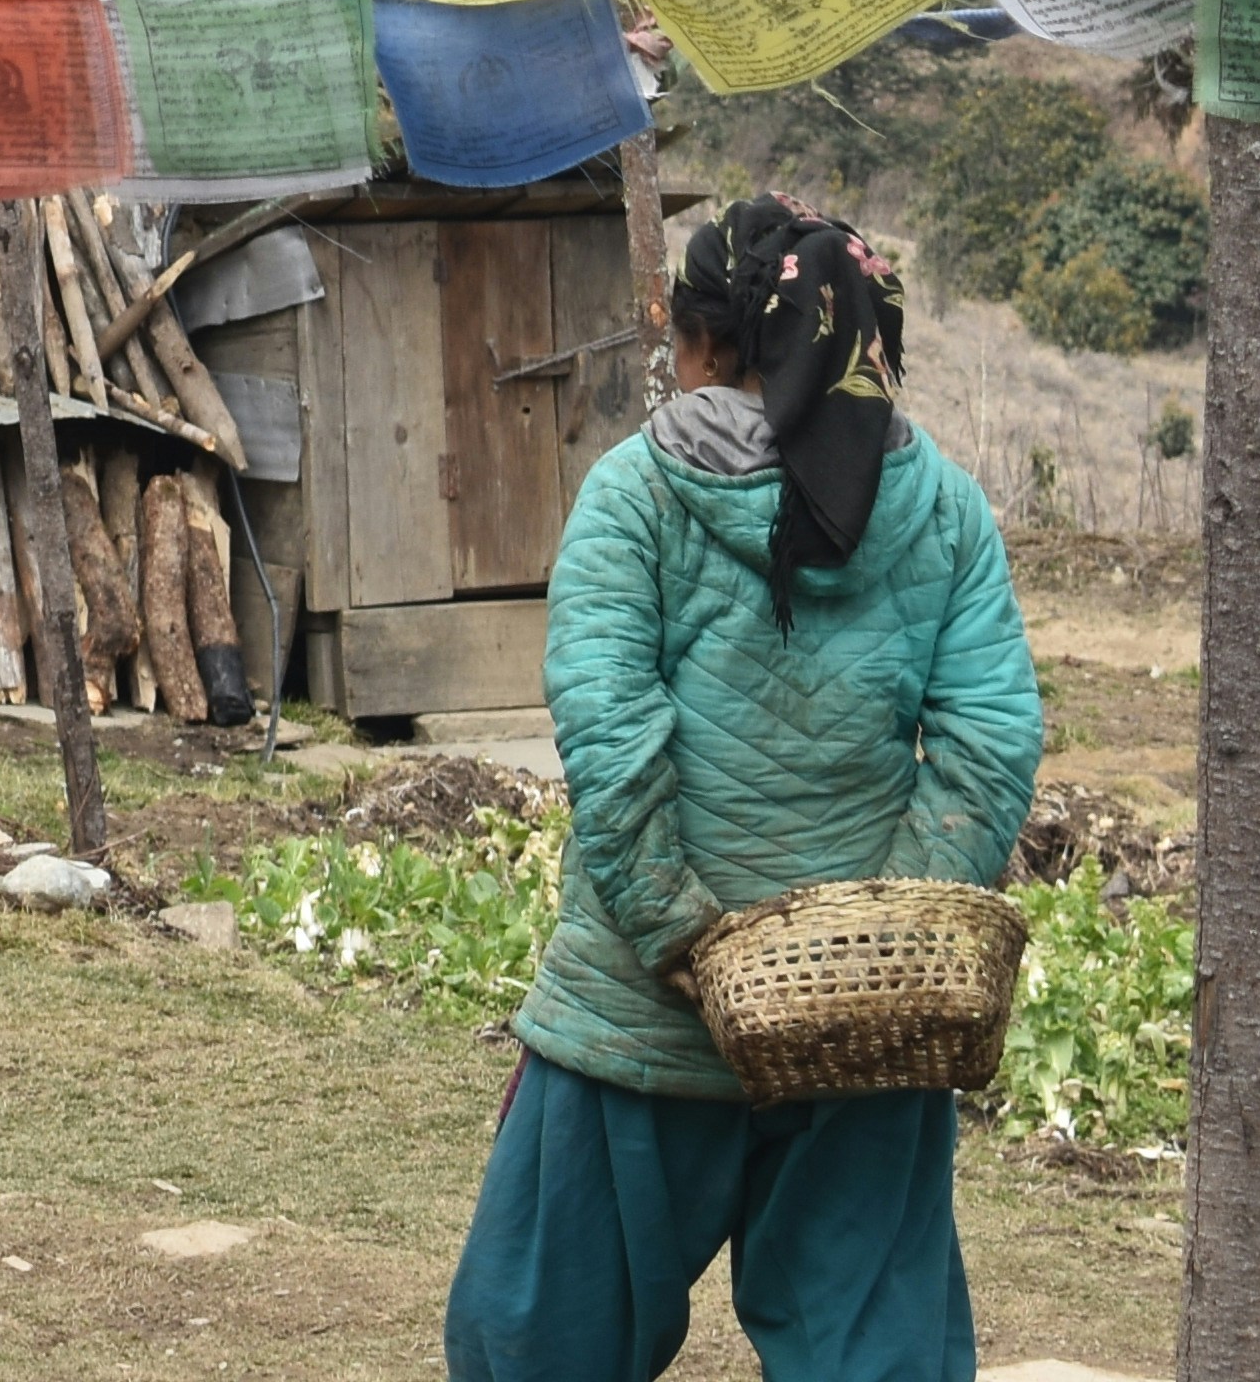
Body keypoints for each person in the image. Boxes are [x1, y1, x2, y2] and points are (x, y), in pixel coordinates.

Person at [445, 197, 1044, 1382]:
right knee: (870, 1354)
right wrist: (877, 943)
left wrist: (689, 939)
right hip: (867, 1025)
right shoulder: (946, 511)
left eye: (679, 340)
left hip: (642, 1016)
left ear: (712, 345)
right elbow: (990, 741)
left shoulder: (636, 494)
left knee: (536, 1345)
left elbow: (612, 738)